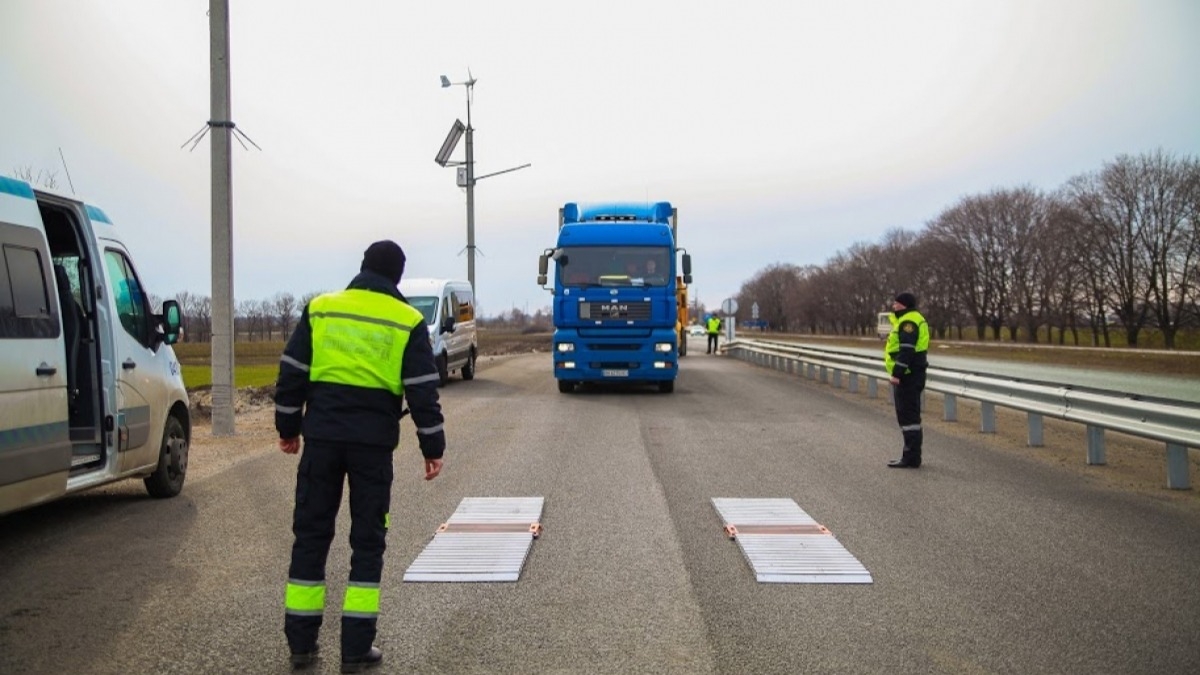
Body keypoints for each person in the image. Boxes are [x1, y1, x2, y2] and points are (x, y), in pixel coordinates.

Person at [275, 240, 446, 672]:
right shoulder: (408, 320)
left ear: (363, 267)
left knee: (311, 536)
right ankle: (354, 650)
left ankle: (301, 646)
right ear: (398, 277)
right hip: (372, 449)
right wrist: (433, 448)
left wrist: (288, 428)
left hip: (322, 442)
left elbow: (292, 372)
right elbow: (422, 389)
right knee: (367, 543)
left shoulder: (322, 309)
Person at [884, 291, 930, 468]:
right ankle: (911, 455)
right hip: (912, 374)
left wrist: (897, 373)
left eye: (896, 303)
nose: (893, 306)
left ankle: (911, 457)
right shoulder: (912, 319)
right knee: (910, 416)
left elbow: (906, 350)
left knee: (908, 417)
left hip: (908, 375)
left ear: (903, 305)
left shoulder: (908, 322)